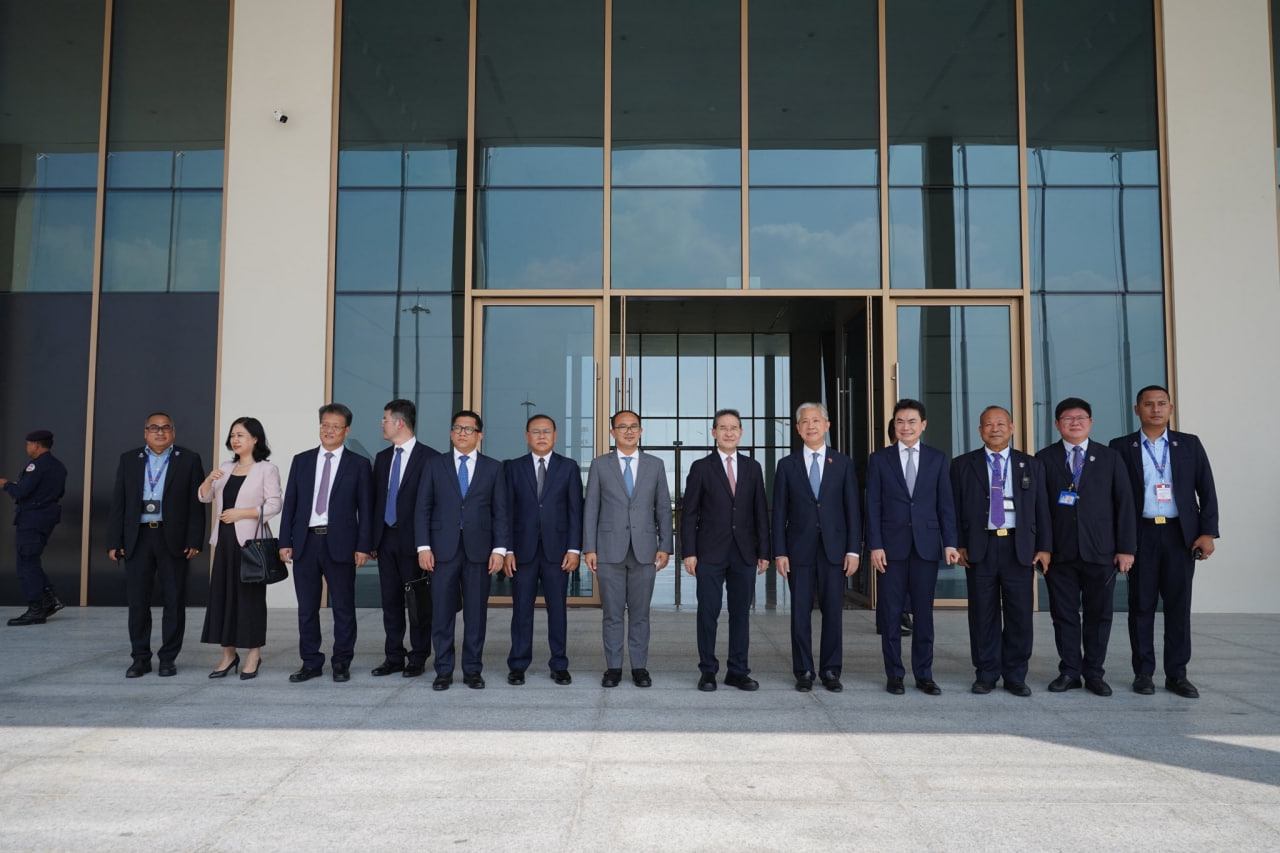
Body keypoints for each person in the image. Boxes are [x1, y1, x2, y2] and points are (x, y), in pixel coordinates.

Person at [1109, 385, 1219, 699]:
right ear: (1137, 410)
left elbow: (1206, 490)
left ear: (1170, 408)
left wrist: (1207, 532)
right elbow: (1113, 497)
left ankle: (1177, 675)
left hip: (1179, 535)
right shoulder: (1121, 446)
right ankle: (1143, 673)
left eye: (1161, 403)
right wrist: (1120, 542)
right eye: (1148, 404)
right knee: (1140, 606)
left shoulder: (1189, 444)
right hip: (1140, 534)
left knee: (1178, 607)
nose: (1155, 409)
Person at [1036, 397, 1136, 697]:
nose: (1075, 423)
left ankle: (1094, 673)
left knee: (1099, 615)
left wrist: (1126, 548)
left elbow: (1125, 504)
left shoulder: (1109, 457)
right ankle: (1069, 671)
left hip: (1101, 551)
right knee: (1063, 615)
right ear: (1057, 424)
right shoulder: (1044, 458)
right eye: (1068, 419)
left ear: (1090, 422)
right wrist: (1043, 547)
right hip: (1060, 553)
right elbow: (1039, 509)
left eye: (1081, 418)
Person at [950, 406, 1052, 697]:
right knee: (982, 614)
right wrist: (958, 543)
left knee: (1020, 614)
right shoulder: (962, 465)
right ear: (980, 431)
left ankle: (1016, 675)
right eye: (988, 425)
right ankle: (986, 673)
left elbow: (1042, 508)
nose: (995, 429)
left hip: (1018, 548)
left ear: (1012, 428)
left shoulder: (1030, 464)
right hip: (979, 547)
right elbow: (953, 508)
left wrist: (1044, 547)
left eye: (1000, 424)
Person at [867, 399, 959, 696]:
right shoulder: (879, 459)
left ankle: (924, 674)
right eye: (900, 422)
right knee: (891, 615)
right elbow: (872, 505)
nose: (905, 427)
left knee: (923, 615)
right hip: (890, 548)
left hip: (926, 547)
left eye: (911, 421)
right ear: (893, 425)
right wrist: (875, 545)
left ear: (923, 425)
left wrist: (950, 542)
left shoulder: (937, 459)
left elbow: (945, 504)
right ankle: (894, 674)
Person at [278, 403, 374, 684]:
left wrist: (363, 546)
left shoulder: (359, 464)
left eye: (335, 426)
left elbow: (366, 510)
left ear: (347, 430)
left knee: (343, 607)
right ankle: (310, 662)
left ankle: (341, 662)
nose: (329, 430)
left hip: (341, 543)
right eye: (325, 425)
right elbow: (290, 503)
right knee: (307, 608)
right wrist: (285, 541)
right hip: (306, 542)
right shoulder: (302, 460)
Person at [107, 412, 207, 678]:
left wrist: (194, 539)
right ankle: (140, 658)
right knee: (138, 602)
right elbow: (119, 502)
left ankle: (168, 658)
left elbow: (196, 504)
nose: (159, 432)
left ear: (173, 432)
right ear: (145, 432)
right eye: (154, 428)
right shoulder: (129, 459)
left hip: (172, 538)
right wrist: (114, 541)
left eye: (165, 428)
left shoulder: (189, 459)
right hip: (138, 538)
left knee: (174, 600)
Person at [415, 410, 509, 691]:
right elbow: (422, 508)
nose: (462, 433)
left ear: (479, 435)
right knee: (441, 613)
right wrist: (423, 546)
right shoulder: (435, 465)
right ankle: (443, 670)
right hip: (441, 550)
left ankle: (472, 670)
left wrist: (499, 549)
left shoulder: (493, 468)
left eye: (469, 429)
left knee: (475, 615)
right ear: (451, 433)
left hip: (479, 551)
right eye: (457, 428)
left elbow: (501, 512)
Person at [772, 402, 861, 693]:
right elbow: (779, 513)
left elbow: (853, 510)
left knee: (833, 612)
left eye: (816, 420)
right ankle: (804, 670)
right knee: (800, 613)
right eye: (805, 422)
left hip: (834, 551)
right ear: (798, 429)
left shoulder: (843, 463)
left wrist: (853, 550)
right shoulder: (787, 465)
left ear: (827, 425)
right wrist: (780, 552)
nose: (811, 426)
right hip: (798, 550)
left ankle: (831, 670)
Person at [681, 408, 770, 692]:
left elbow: (760, 512)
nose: (729, 433)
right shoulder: (701, 467)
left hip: (744, 553)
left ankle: (738, 671)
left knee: (740, 614)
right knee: (708, 613)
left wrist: (764, 551)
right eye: (723, 428)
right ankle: (708, 671)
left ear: (741, 432)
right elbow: (689, 514)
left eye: (734, 428)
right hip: (709, 553)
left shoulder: (753, 467)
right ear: (714, 433)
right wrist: (689, 552)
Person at [582, 411, 672, 689]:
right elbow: (591, 508)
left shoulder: (655, 465)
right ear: (613, 433)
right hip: (608, 550)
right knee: (612, 613)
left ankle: (639, 668)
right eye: (622, 427)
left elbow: (663, 508)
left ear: (641, 431)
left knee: (640, 613)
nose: (629, 431)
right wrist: (589, 548)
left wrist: (665, 546)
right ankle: (613, 668)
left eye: (634, 426)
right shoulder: (600, 465)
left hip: (645, 550)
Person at [197, 417, 282, 681]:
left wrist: (241, 513)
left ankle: (254, 654)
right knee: (223, 597)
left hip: (250, 544)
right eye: (233, 435)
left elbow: (274, 504)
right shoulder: (225, 468)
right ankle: (228, 654)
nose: (235, 439)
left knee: (250, 599)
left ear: (255, 439)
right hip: (224, 542)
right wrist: (208, 480)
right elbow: (204, 497)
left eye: (241, 435)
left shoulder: (266, 469)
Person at [503, 414, 582, 686]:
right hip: (522, 552)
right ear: (527, 436)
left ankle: (559, 664)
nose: (541, 436)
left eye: (546, 431)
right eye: (535, 431)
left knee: (557, 610)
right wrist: (507, 550)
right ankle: (517, 664)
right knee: (521, 610)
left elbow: (576, 511)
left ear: (555, 436)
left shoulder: (568, 467)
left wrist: (574, 549)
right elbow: (506, 511)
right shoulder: (513, 468)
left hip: (557, 552)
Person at [370, 399, 439, 679]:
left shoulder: (431, 458)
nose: (382, 424)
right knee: (390, 602)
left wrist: (428, 545)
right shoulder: (382, 458)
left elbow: (434, 505)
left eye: (385, 419)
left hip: (415, 541)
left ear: (399, 422)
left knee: (418, 602)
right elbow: (376, 502)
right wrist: (372, 541)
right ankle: (394, 656)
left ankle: (418, 656)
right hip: (386, 539)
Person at [2, 429, 68, 626]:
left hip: (32, 519)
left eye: (28, 444)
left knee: (26, 563)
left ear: (36, 445)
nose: (27, 448)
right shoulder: (58, 466)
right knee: (31, 560)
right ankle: (50, 599)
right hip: (45, 518)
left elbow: (21, 492)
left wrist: (6, 485)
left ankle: (36, 609)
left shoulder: (36, 466)